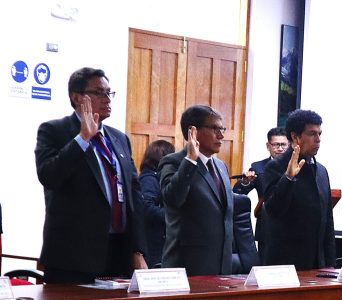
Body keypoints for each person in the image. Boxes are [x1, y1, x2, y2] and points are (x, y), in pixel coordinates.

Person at [34, 67, 148, 283]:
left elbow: (135, 196)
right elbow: (49, 176)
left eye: (109, 93)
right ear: (76, 97)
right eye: (98, 92)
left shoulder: (119, 139)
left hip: (119, 254)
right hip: (74, 258)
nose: (107, 99)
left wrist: (138, 250)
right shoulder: (54, 130)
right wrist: (83, 138)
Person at [158, 105, 234, 276]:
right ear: (193, 131)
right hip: (187, 267)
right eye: (215, 128)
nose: (221, 135)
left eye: (222, 129)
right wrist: (190, 160)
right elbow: (173, 199)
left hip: (221, 267)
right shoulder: (173, 162)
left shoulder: (221, 166)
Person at [261, 109, 336, 270]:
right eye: (312, 134)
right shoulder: (275, 166)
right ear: (295, 137)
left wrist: (330, 264)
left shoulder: (321, 170)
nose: (318, 139)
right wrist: (288, 178)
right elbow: (273, 210)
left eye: (319, 134)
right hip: (285, 264)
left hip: (318, 264)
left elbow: (327, 221)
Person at [233, 127, 288, 260]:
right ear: (268, 146)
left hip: (291, 226)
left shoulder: (297, 165)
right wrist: (245, 182)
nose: (280, 148)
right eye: (276, 145)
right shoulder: (258, 167)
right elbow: (238, 193)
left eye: (284, 145)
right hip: (267, 225)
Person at [138, 139, 175, 267]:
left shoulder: (156, 178)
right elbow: (146, 208)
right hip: (153, 247)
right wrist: (174, 216)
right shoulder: (149, 179)